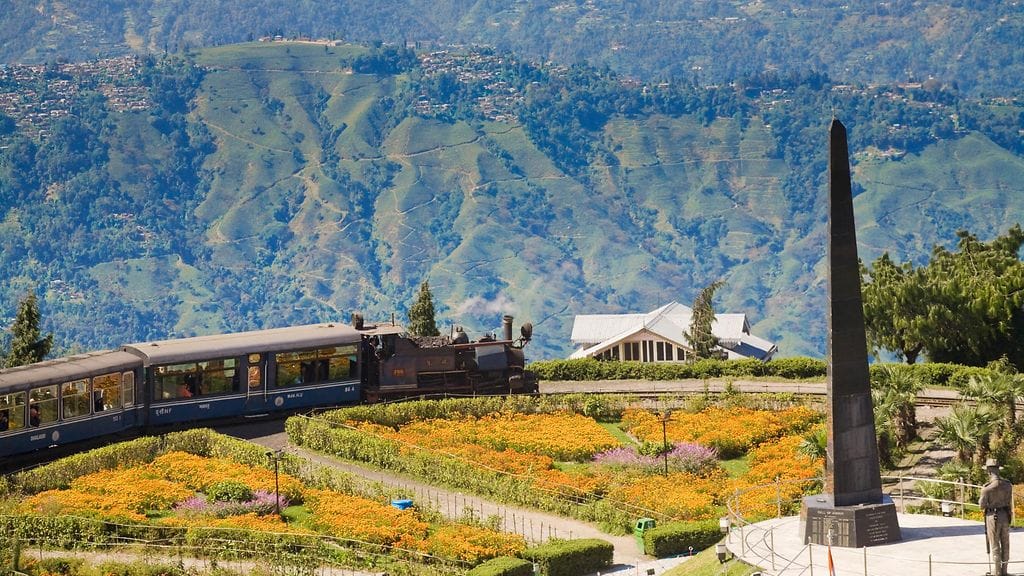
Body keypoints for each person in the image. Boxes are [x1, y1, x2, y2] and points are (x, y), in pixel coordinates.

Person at [980, 457, 1012, 576]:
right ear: (999, 470)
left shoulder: (987, 488)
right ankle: (1004, 570)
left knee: (994, 544)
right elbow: (1008, 501)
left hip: (992, 516)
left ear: (988, 471)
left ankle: (997, 572)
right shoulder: (1008, 485)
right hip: (1005, 515)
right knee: (1005, 543)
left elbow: (981, 506)